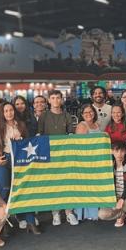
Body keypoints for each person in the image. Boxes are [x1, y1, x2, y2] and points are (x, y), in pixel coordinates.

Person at [0, 102, 38, 233]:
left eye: (11, 110)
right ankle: (1, 225)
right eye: (6, 111)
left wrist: (20, 140)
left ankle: (31, 222)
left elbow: (28, 143)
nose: (9, 113)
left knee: (25, 190)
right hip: (3, 160)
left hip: (19, 161)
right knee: (4, 191)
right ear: (2, 113)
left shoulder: (20, 125)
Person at [37, 90, 78, 226]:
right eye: (52, 98)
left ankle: (69, 212)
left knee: (67, 182)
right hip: (49, 154)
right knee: (53, 183)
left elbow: (71, 134)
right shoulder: (43, 116)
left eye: (58, 98)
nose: (55, 100)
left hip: (64, 155)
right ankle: (55, 212)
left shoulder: (67, 116)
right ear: (49, 100)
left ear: (61, 100)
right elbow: (40, 134)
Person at [98, 142, 126, 236]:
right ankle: (121, 215)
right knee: (102, 214)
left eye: (122, 151)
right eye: (116, 151)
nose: (119, 154)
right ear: (112, 151)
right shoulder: (109, 166)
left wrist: (122, 198)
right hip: (114, 201)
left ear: (125, 152)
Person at [74, 104, 101, 221]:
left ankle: (94, 211)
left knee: (94, 187)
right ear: (82, 115)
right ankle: (85, 213)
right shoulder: (82, 126)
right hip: (85, 160)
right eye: (85, 113)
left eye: (90, 112)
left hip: (96, 161)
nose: (88, 114)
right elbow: (79, 145)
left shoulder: (97, 125)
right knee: (86, 187)